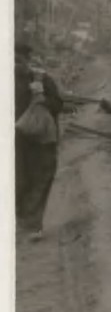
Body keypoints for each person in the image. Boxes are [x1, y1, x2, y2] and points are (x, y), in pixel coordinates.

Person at [14, 43, 64, 241]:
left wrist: (42, 100)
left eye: (18, 59)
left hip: (37, 139)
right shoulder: (40, 78)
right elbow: (58, 105)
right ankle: (29, 224)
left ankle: (29, 224)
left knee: (32, 178)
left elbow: (57, 104)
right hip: (35, 140)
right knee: (35, 178)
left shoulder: (39, 79)